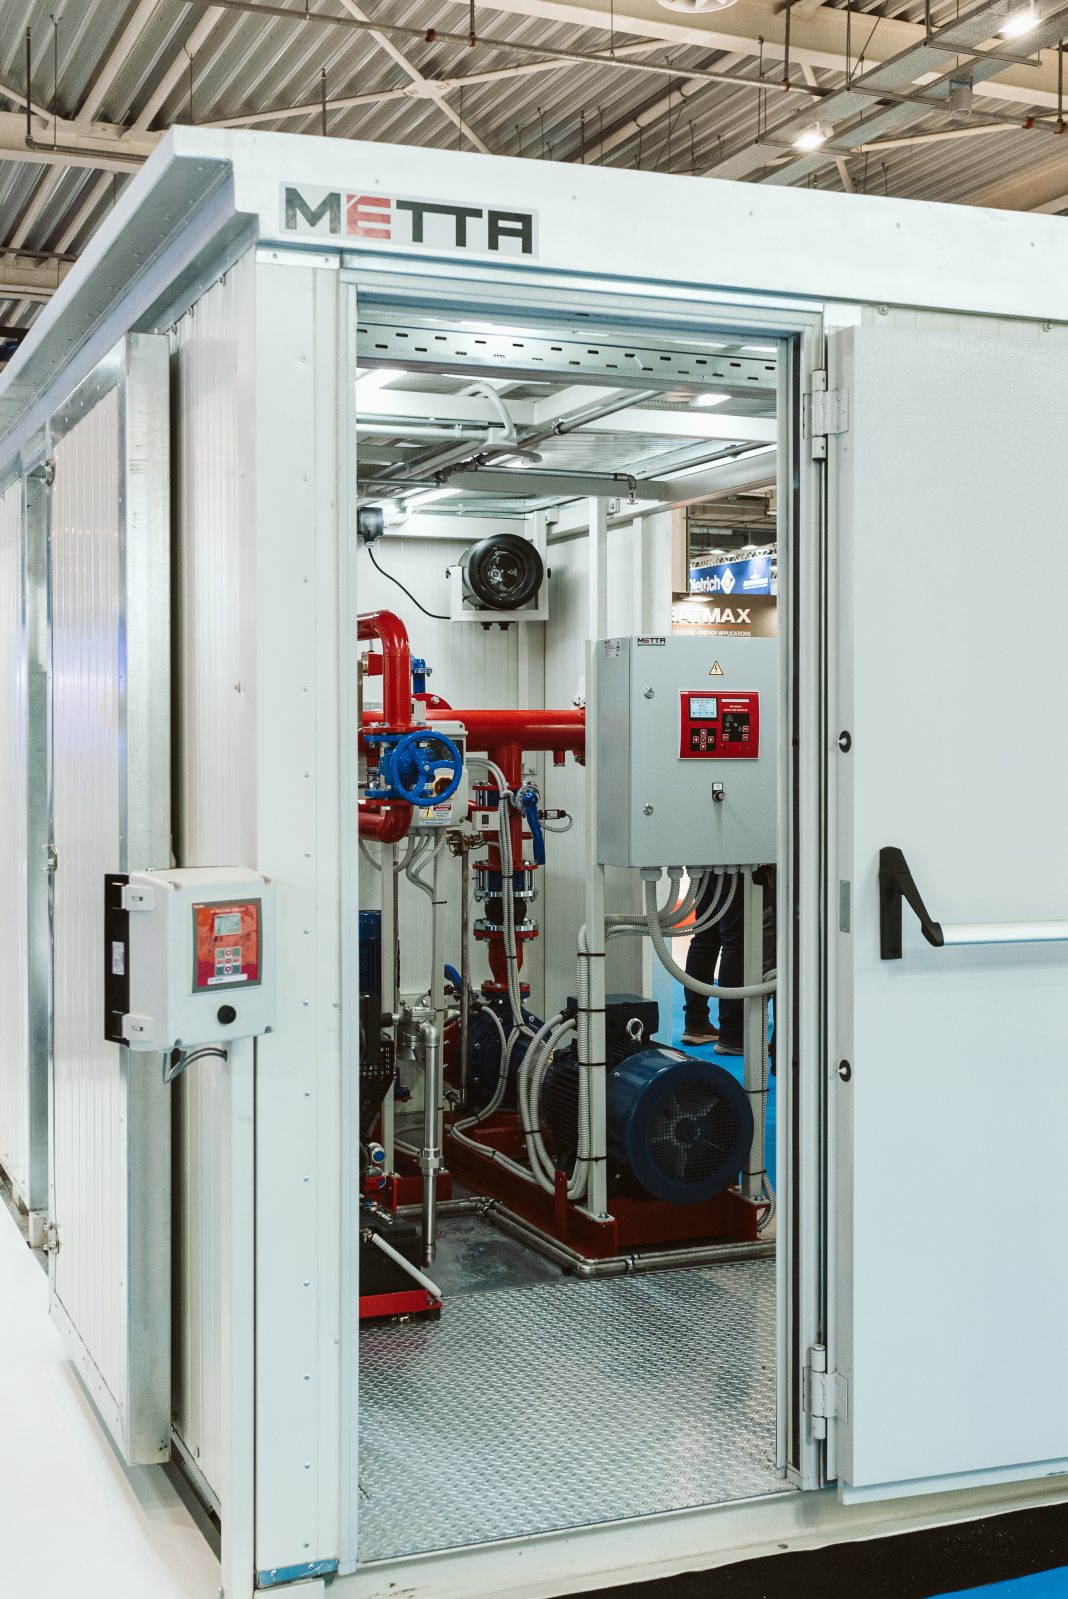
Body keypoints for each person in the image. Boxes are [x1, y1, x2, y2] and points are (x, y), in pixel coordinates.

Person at [681, 867, 776, 1059]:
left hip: (704, 861)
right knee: (736, 942)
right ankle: (734, 1034)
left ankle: (695, 1023)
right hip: (739, 864)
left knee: (705, 938)